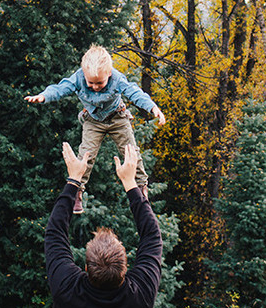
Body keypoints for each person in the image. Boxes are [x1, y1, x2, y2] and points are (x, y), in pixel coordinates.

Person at [45, 141, 162, 308]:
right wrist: (131, 184)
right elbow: (152, 237)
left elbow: (54, 234)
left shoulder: (67, 290)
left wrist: (74, 180)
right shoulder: (141, 296)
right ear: (125, 267)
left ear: (85, 269)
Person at [25, 44, 165, 212]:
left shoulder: (117, 79)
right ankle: (77, 191)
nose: (95, 87)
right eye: (90, 83)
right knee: (86, 153)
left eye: (100, 83)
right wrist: (44, 96)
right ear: (84, 75)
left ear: (109, 73)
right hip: (93, 120)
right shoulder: (78, 78)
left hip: (118, 118)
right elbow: (61, 88)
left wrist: (153, 108)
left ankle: (141, 188)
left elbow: (135, 92)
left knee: (131, 151)